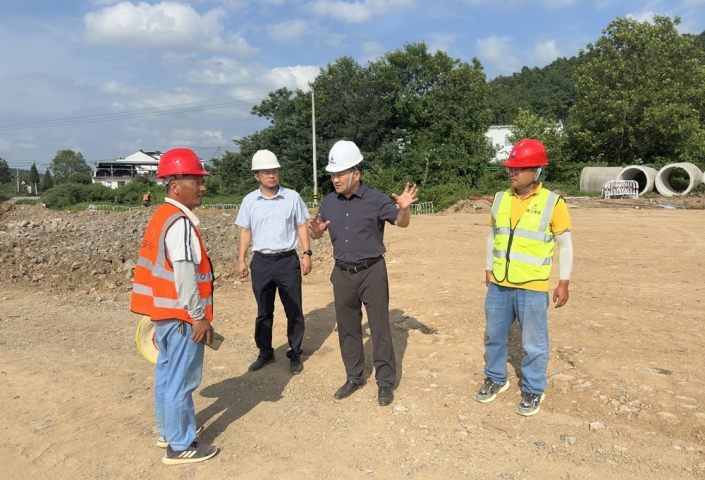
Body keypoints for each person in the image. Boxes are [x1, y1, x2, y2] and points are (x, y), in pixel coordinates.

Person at [308, 140, 418, 407]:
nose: (335, 179)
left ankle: (385, 382)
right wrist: (316, 233)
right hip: (342, 274)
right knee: (347, 329)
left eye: (340, 174)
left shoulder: (376, 198)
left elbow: (401, 223)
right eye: (332, 174)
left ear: (356, 173)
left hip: (372, 272)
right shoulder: (329, 201)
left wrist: (404, 209)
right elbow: (317, 232)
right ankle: (354, 376)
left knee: (379, 329)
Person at [130, 148, 219, 465]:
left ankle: (168, 432)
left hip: (164, 316)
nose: (202, 187)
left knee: (167, 376)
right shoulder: (180, 223)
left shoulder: (161, 217)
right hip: (183, 318)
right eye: (196, 181)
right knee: (182, 381)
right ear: (175, 185)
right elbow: (183, 276)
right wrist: (198, 317)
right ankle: (180, 445)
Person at [476, 138, 574, 416]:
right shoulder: (500, 199)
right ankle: (496, 378)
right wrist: (488, 266)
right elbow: (493, 236)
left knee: (534, 343)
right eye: (511, 167)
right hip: (499, 283)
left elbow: (565, 246)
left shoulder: (552, 203)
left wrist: (563, 282)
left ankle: (533, 388)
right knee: (494, 335)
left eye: (519, 168)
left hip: (532, 285)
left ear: (537, 170)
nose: (512, 172)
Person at [235, 150, 312, 375]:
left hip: (287, 261)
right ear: (256, 176)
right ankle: (265, 352)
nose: (271, 176)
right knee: (263, 311)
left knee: (294, 310)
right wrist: (241, 260)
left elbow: (301, 226)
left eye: (275, 171)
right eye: (266, 172)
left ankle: (295, 352)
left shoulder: (292, 197)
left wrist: (307, 253)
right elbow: (246, 231)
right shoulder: (249, 201)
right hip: (261, 262)